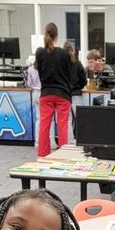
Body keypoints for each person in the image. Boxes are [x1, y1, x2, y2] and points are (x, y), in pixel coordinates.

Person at [35, 23, 73, 157]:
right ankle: (63, 155)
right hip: (63, 94)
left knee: (44, 125)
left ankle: (42, 155)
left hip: (46, 94)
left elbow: (40, 74)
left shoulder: (39, 52)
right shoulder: (64, 54)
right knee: (62, 125)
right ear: (57, 35)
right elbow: (70, 75)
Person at [64, 41, 87, 139]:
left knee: (67, 120)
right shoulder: (78, 63)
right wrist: (79, 86)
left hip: (64, 94)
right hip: (76, 94)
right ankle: (81, 138)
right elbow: (84, 80)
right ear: (73, 51)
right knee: (80, 118)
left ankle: (69, 141)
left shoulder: (61, 64)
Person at [25, 54, 41, 139]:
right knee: (47, 119)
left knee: (38, 118)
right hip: (44, 93)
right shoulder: (44, 68)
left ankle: (37, 141)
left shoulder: (30, 69)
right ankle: (49, 140)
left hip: (35, 93)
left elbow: (29, 84)